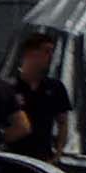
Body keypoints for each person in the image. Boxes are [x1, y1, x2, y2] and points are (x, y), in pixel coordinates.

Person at [8, 32, 73, 162]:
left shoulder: (55, 87)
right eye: (46, 51)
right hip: (12, 155)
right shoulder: (10, 87)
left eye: (52, 52)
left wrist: (58, 154)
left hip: (42, 157)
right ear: (29, 53)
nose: (50, 57)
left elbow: (63, 122)